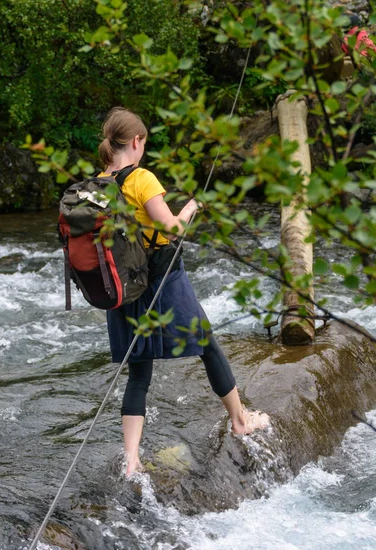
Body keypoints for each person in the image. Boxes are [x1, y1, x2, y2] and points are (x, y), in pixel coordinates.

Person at [98, 107, 270, 477]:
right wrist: (191, 207)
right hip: (160, 280)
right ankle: (240, 420)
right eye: (143, 142)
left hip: (125, 288)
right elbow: (170, 229)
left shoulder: (99, 183)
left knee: (138, 373)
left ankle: (131, 459)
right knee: (207, 344)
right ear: (136, 141)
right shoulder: (142, 178)